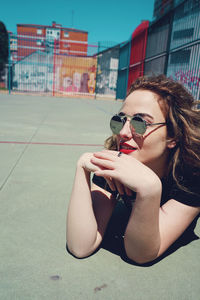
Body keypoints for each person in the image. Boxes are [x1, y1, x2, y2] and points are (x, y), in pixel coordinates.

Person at [66, 75, 200, 264]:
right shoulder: (115, 161)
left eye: (140, 123)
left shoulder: (192, 176)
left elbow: (140, 253)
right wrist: (82, 169)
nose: (123, 133)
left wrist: (150, 189)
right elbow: (80, 246)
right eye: (120, 120)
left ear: (173, 136)